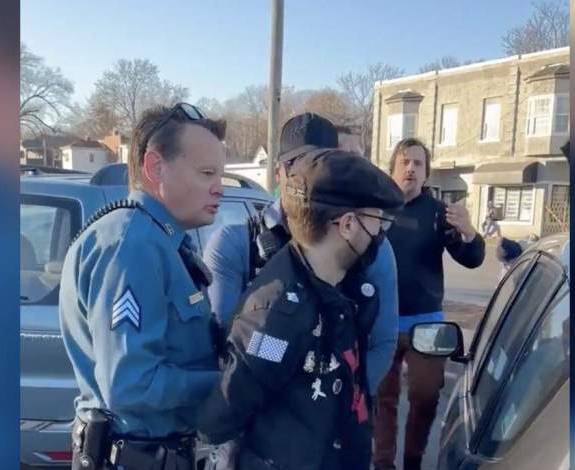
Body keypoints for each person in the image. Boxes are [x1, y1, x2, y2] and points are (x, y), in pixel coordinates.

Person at [197, 149, 404, 469]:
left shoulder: (337, 290)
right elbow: (223, 415)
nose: (379, 234)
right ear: (348, 225)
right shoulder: (277, 315)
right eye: (377, 221)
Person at [59, 103, 226, 470]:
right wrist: (226, 383)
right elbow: (130, 384)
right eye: (207, 173)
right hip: (134, 456)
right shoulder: (133, 245)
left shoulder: (158, 241)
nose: (220, 188)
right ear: (155, 167)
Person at [203, 113, 399, 397]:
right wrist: (298, 392)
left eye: (318, 165)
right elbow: (231, 341)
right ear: (278, 172)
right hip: (261, 410)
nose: (305, 177)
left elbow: (382, 342)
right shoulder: (236, 244)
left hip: (342, 410)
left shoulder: (370, 245)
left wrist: (338, 400)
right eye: (293, 165)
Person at [374, 138, 485, 470]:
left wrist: (468, 233)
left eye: (418, 163)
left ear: (426, 173)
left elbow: (472, 259)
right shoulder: (376, 208)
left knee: (425, 396)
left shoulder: (439, 213)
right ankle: (382, 462)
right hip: (381, 321)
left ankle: (413, 459)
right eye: (405, 162)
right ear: (392, 169)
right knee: (382, 398)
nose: (411, 168)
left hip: (427, 324)